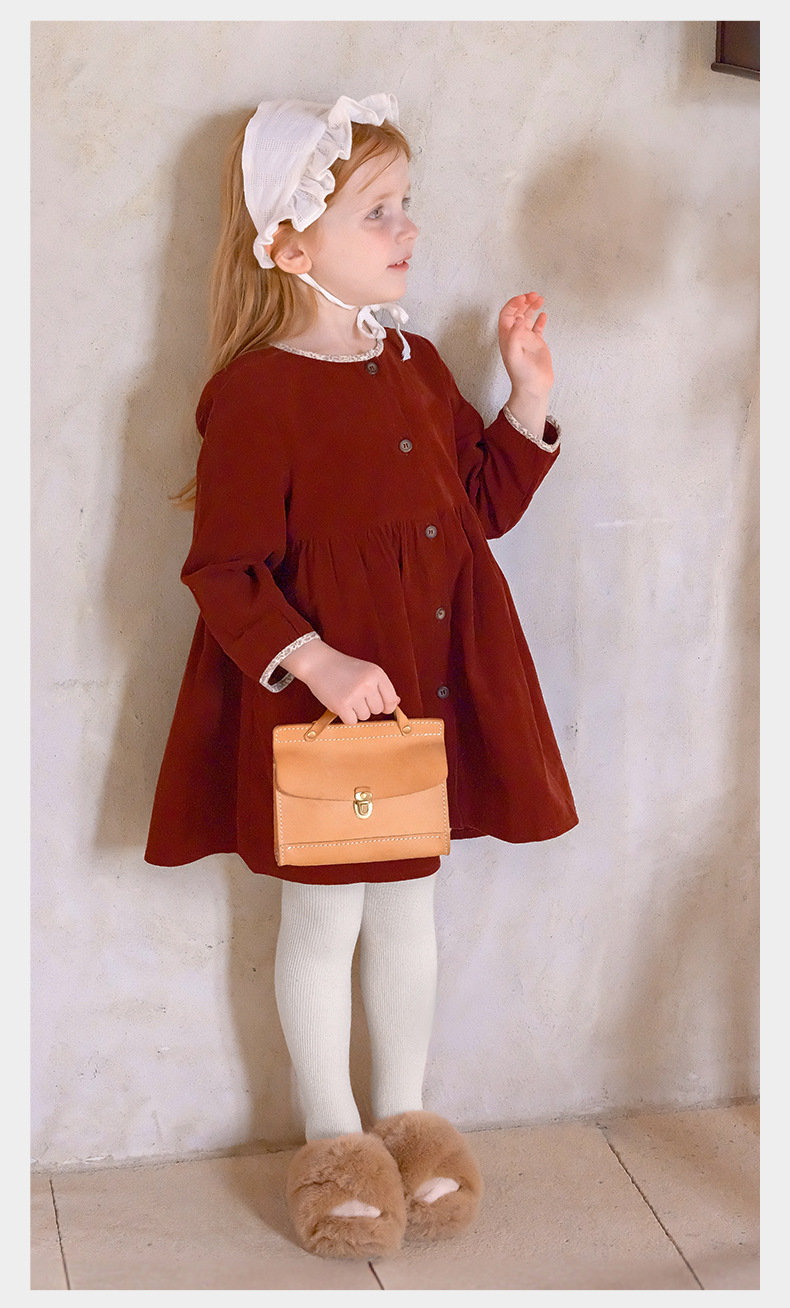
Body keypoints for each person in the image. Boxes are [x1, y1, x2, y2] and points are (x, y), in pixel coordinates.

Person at [145, 93, 578, 1260]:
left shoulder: (416, 363)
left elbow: (477, 506)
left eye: (406, 205)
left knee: (409, 911)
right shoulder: (257, 393)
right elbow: (224, 568)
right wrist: (318, 659)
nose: (407, 229)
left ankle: (408, 1120)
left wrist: (526, 395)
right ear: (291, 246)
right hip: (323, 710)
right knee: (324, 915)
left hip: (428, 689)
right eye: (376, 211)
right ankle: (333, 1144)